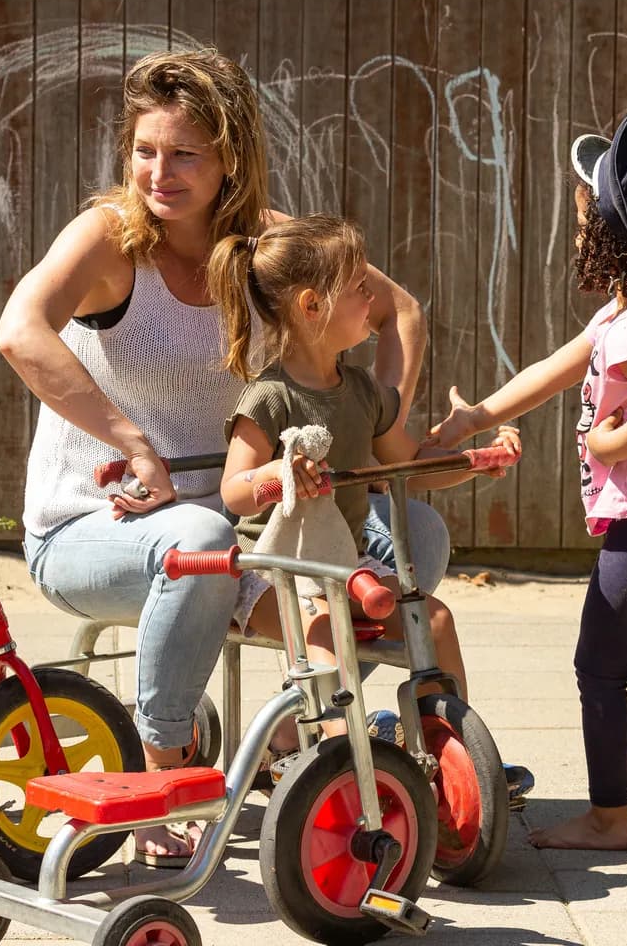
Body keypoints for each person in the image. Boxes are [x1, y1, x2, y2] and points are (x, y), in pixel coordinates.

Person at [0, 48, 449, 866]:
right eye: (144, 150)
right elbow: (18, 332)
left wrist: (378, 425)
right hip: (94, 528)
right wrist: (132, 441)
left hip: (244, 518)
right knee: (199, 543)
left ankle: (304, 744)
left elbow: (402, 311)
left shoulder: (271, 245)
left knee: (418, 535)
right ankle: (162, 776)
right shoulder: (109, 239)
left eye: (183, 154)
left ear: (230, 158)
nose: (157, 173)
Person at [427, 107, 627, 861]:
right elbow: (553, 369)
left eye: (580, 220)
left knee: (597, 670)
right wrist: (478, 416)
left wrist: (610, 441)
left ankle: (608, 818)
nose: (574, 232)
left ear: (610, 239)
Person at [212, 215, 519, 743]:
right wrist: (278, 475)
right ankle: (339, 755)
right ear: (312, 306)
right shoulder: (270, 395)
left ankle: (442, 748)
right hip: (273, 570)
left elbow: (409, 466)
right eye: (359, 289)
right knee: (326, 635)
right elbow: (234, 492)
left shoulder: (361, 391)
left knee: (434, 621)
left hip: (342, 563)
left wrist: (475, 462)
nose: (371, 302)